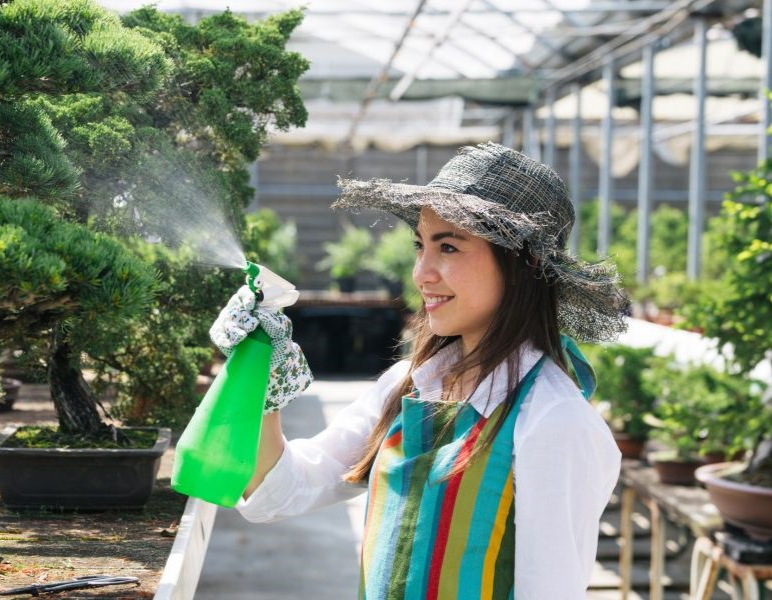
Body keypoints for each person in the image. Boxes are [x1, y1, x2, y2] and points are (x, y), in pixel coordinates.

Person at [209, 142, 629, 599]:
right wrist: (264, 381)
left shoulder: (553, 420)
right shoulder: (409, 384)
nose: (421, 272)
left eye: (448, 247)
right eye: (420, 246)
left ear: (522, 265)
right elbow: (282, 490)